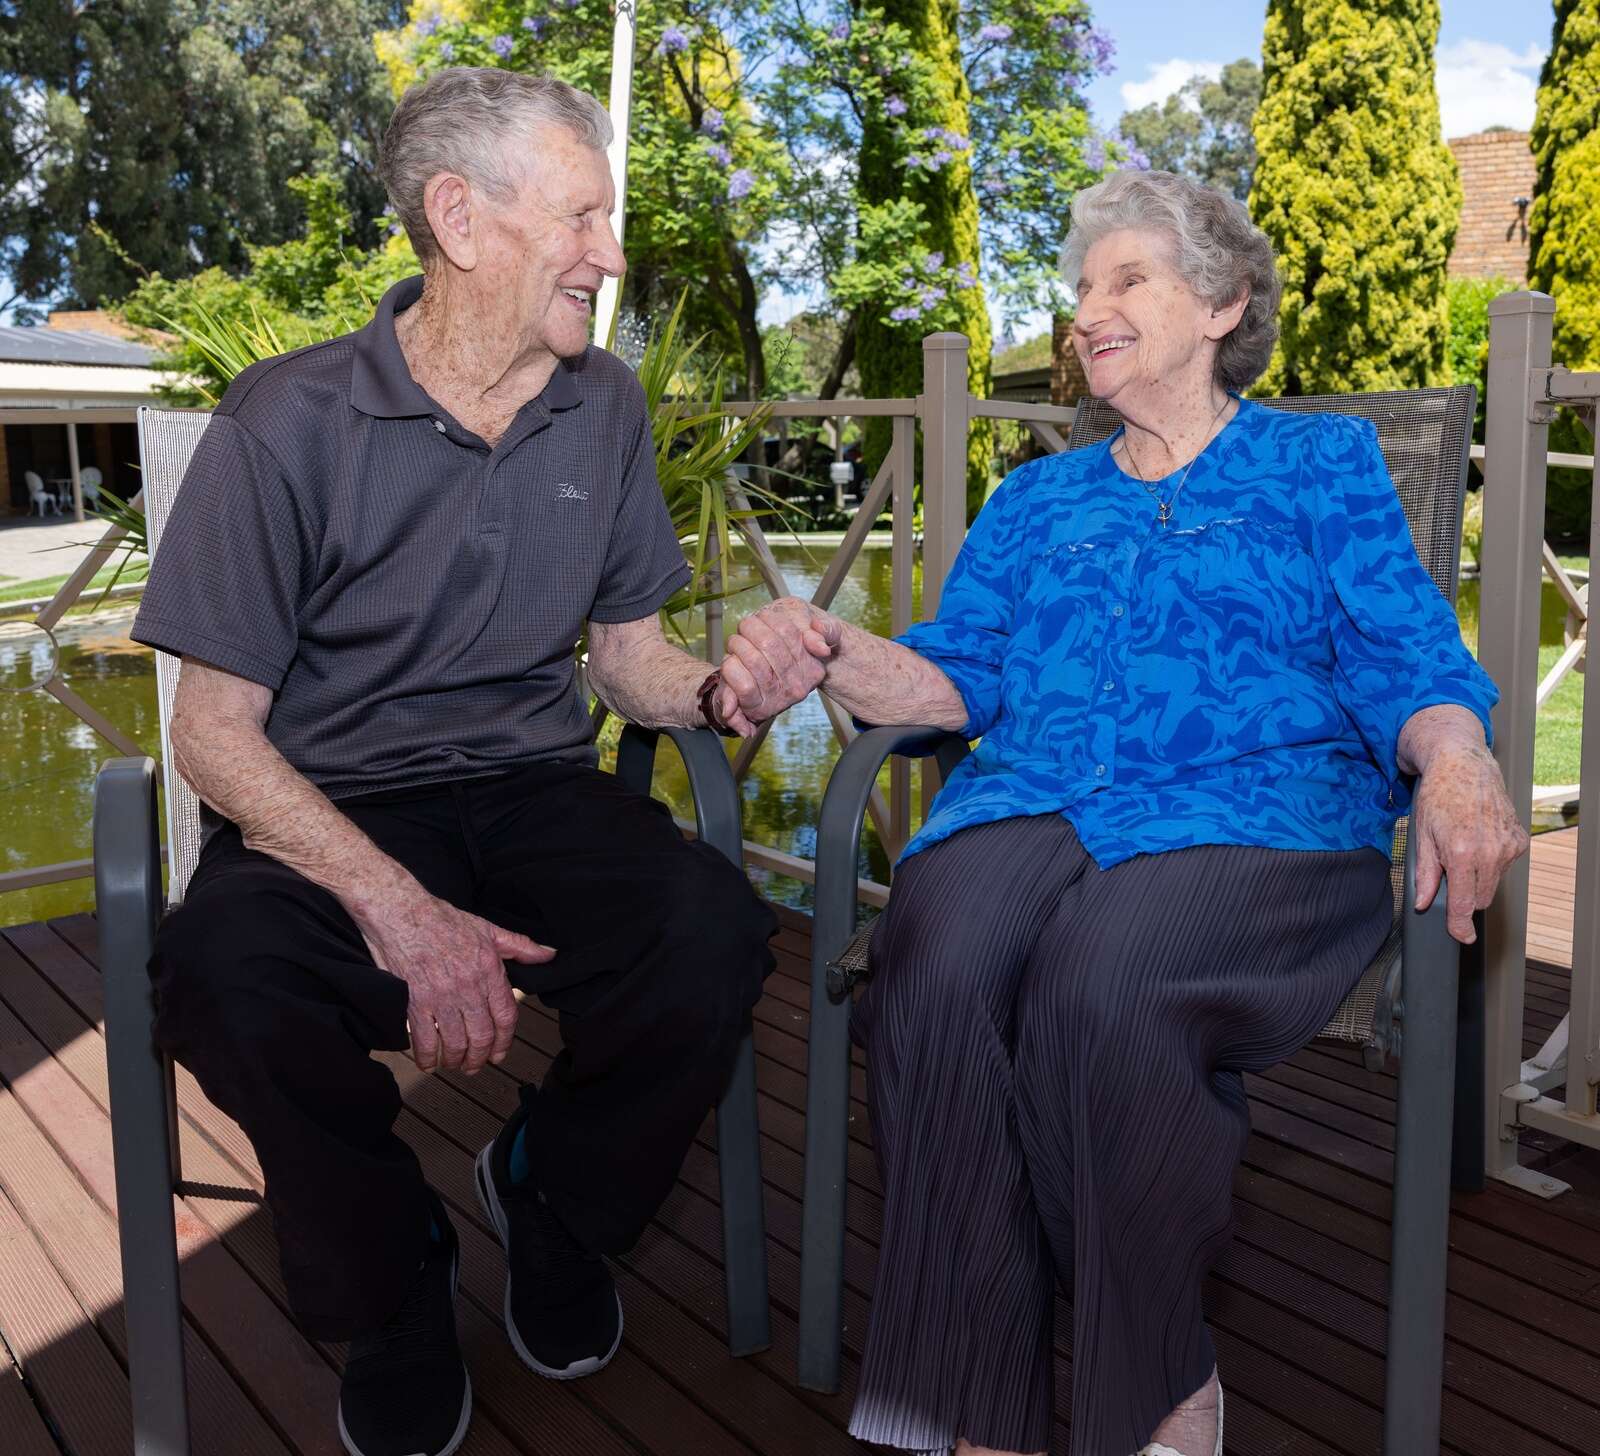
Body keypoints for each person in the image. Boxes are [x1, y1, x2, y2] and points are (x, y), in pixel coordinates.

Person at [717, 169, 1527, 1456]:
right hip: (1036, 803)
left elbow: (1407, 655)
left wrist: (1459, 759)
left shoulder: (1320, 464)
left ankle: (1153, 1381)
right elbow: (959, 676)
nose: (1086, 311)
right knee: (932, 962)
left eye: (1125, 280)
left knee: (1106, 982)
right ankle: (966, 1405)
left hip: (1261, 813)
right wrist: (828, 643)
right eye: (1080, 288)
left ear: (1221, 302)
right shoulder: (1039, 499)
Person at [132, 67, 776, 1456]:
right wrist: (400, 911)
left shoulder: (599, 407)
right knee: (223, 979)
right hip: (333, 808)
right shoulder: (283, 423)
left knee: (711, 933)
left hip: (536, 791)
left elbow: (625, 656)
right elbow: (211, 736)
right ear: (460, 219)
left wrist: (718, 688)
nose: (610, 254)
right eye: (584, 218)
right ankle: (393, 1282)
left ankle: (550, 1193)